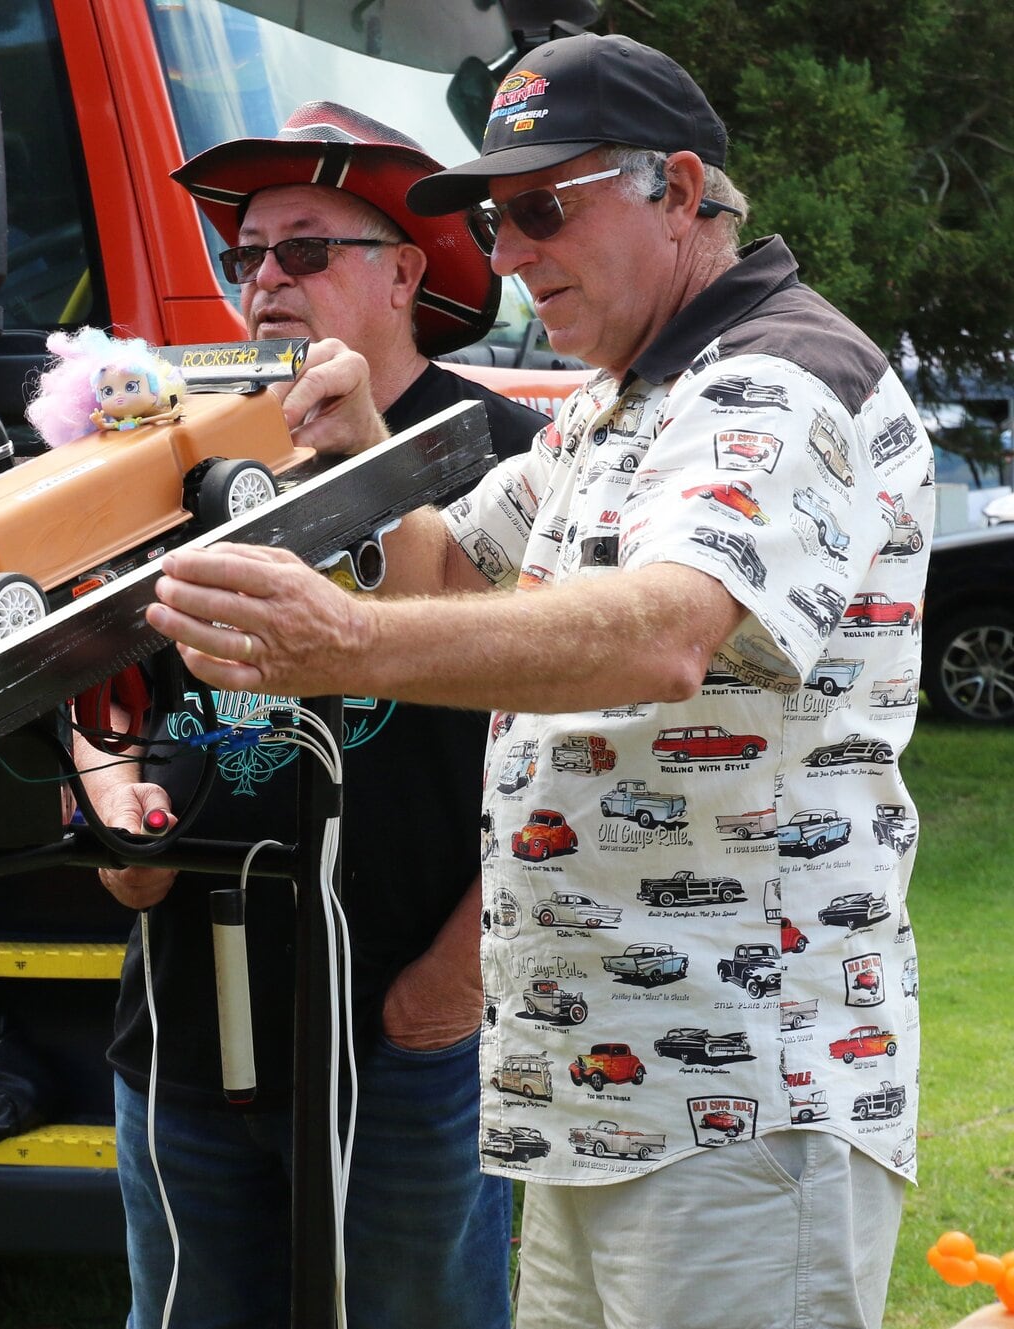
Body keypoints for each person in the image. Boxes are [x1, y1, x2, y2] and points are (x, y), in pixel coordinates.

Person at [144, 34, 930, 1329]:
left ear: (679, 190)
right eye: (493, 221)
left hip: (741, 1099)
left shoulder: (782, 378)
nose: (504, 255)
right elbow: (443, 575)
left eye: (540, 210)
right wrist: (364, 451)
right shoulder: (617, 396)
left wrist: (333, 646)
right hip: (598, 1088)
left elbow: (665, 631)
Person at [75, 102, 547, 1329]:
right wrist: (106, 786)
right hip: (188, 1019)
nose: (263, 278)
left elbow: (573, 754)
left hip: (407, 1034)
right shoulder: (176, 461)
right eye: (244, 257)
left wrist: (449, 989)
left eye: (302, 249)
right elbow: (90, 683)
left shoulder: (509, 454)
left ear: (401, 270)